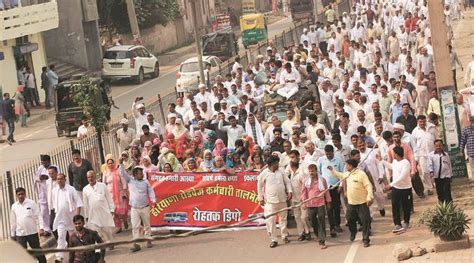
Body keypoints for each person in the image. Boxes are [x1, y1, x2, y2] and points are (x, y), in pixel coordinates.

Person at [329, 159, 374, 248]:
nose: (345, 166)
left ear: (351, 165)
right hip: (351, 203)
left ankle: (366, 239)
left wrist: (370, 197)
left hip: (362, 203)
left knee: (365, 221)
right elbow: (340, 175)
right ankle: (353, 231)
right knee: (349, 219)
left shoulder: (361, 174)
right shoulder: (347, 174)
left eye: (347, 165)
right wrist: (332, 171)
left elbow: (368, 186)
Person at [118, 162, 156, 252]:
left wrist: (153, 200)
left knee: (147, 225)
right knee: (135, 226)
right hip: (134, 208)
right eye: (140, 173)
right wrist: (120, 163)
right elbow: (122, 173)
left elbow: (150, 191)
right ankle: (136, 243)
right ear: (135, 174)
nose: (142, 175)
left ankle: (148, 240)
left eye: (142, 173)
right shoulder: (130, 180)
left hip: (145, 207)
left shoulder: (145, 182)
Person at [257, 155, 292, 248]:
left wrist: (289, 191)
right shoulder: (264, 173)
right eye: (276, 163)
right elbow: (259, 186)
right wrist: (260, 198)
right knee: (270, 221)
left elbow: (287, 182)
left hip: (282, 200)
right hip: (270, 202)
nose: (278, 164)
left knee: (283, 219)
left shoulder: (281, 171)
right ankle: (274, 239)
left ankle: (284, 236)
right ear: (271, 164)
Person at [10, 187, 47, 263]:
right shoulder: (14, 206)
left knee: (37, 250)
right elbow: (13, 221)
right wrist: (12, 234)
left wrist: (41, 228)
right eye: (19, 194)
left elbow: (38, 216)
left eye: (22, 194)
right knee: (23, 253)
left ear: (25, 194)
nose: (20, 196)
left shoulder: (31, 203)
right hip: (20, 234)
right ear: (16, 195)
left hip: (32, 232)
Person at [52, 173, 83, 262]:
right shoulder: (54, 191)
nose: (59, 181)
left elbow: (78, 203)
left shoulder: (71, 189)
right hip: (61, 219)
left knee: (74, 237)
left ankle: (80, 254)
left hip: (71, 218)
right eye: (58, 179)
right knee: (61, 237)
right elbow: (55, 205)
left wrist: (77, 217)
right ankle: (59, 257)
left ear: (65, 179)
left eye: (61, 179)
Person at [381, 146, 412, 233]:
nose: (392, 155)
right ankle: (397, 224)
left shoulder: (406, 163)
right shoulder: (395, 161)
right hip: (396, 188)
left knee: (406, 206)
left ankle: (406, 221)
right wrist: (382, 161)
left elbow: (402, 177)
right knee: (395, 206)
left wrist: (390, 185)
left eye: (393, 153)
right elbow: (392, 166)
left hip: (406, 188)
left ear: (397, 154)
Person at [301, 162, 331, 249]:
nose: (311, 173)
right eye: (310, 171)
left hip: (320, 203)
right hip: (310, 204)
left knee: (321, 220)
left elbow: (326, 191)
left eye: (313, 171)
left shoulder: (322, 180)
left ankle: (322, 240)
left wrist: (328, 201)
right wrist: (304, 202)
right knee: (312, 221)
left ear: (316, 171)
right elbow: (303, 193)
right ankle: (317, 234)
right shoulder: (306, 181)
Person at [317, 145, 344, 236]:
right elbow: (319, 172)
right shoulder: (321, 160)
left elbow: (342, 174)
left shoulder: (339, 160)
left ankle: (337, 225)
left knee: (336, 207)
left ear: (333, 152)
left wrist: (340, 185)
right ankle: (332, 227)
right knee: (329, 208)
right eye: (327, 153)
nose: (328, 155)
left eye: (330, 153)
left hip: (335, 187)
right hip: (326, 188)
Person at [286, 150, 311, 241]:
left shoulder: (304, 167)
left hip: (303, 197)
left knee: (304, 217)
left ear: (298, 156)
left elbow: (307, 182)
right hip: (294, 197)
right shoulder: (290, 166)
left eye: (293, 157)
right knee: (297, 217)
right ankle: (301, 233)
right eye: (290, 157)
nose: (292, 159)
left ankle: (308, 231)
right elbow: (285, 175)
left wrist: (306, 197)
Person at [83, 170, 115, 242]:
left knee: (106, 229)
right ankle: (101, 244)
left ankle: (109, 242)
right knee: (96, 230)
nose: (90, 179)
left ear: (95, 177)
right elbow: (86, 204)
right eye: (88, 177)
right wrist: (87, 216)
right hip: (93, 214)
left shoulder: (102, 185)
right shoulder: (85, 189)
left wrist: (112, 209)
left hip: (104, 212)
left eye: (92, 177)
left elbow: (109, 198)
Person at [102, 154, 130, 233]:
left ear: (114, 163)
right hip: (110, 195)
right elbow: (103, 184)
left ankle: (124, 220)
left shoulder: (118, 171)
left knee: (123, 211)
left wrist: (125, 190)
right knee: (114, 211)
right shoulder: (105, 173)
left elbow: (123, 181)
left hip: (120, 193)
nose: (110, 165)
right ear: (106, 164)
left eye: (111, 163)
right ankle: (118, 226)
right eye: (109, 163)